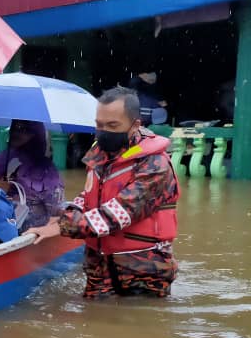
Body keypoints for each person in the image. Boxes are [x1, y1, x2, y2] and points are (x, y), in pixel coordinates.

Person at [28, 86, 179, 298]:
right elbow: (87, 196)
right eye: (99, 125)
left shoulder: (155, 164)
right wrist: (62, 216)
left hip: (143, 271)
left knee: (143, 325)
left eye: (113, 125)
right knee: (92, 323)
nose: (104, 131)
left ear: (135, 125)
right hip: (99, 268)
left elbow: (119, 214)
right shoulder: (100, 153)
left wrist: (62, 227)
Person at [0, 119, 65, 229]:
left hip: (34, 234)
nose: (16, 133)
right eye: (14, 128)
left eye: (24, 129)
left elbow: (55, 209)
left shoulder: (46, 169)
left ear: (37, 135)